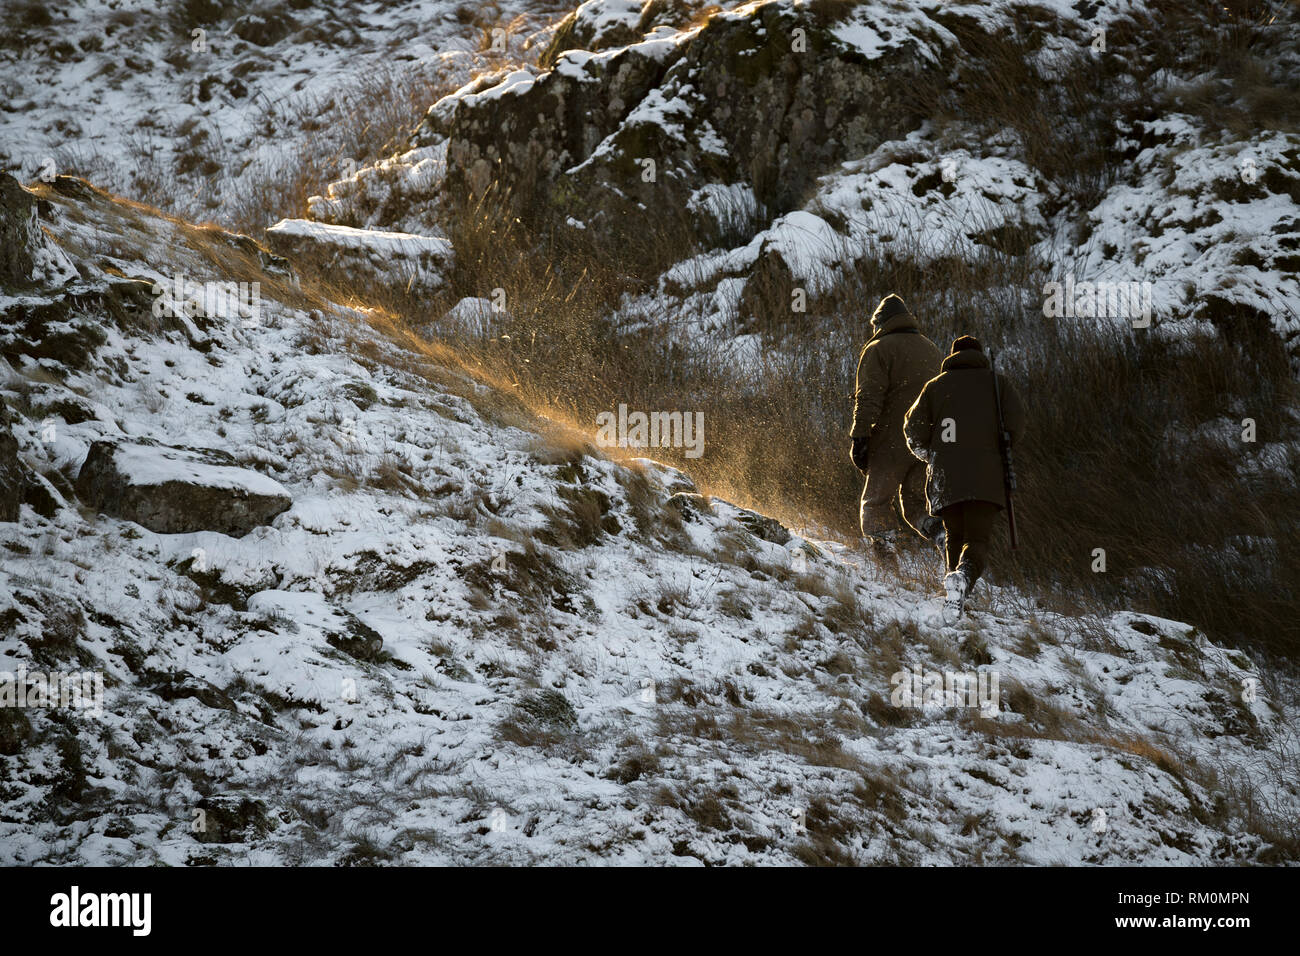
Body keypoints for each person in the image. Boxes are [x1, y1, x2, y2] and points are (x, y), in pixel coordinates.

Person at [904, 335, 1025, 620]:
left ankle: (953, 596)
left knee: (954, 536)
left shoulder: (934, 386)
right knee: (977, 539)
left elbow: (912, 431)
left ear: (952, 356)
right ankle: (964, 579)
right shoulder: (998, 384)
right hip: (986, 476)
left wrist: (931, 455)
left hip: (946, 476)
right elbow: (1016, 426)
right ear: (980, 355)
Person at [849, 294, 944, 559]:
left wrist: (860, 436)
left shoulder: (878, 349)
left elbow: (868, 397)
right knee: (916, 503)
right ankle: (940, 534)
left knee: (876, 502)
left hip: (891, 440)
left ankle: (885, 563)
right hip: (926, 441)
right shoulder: (932, 348)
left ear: (880, 322)